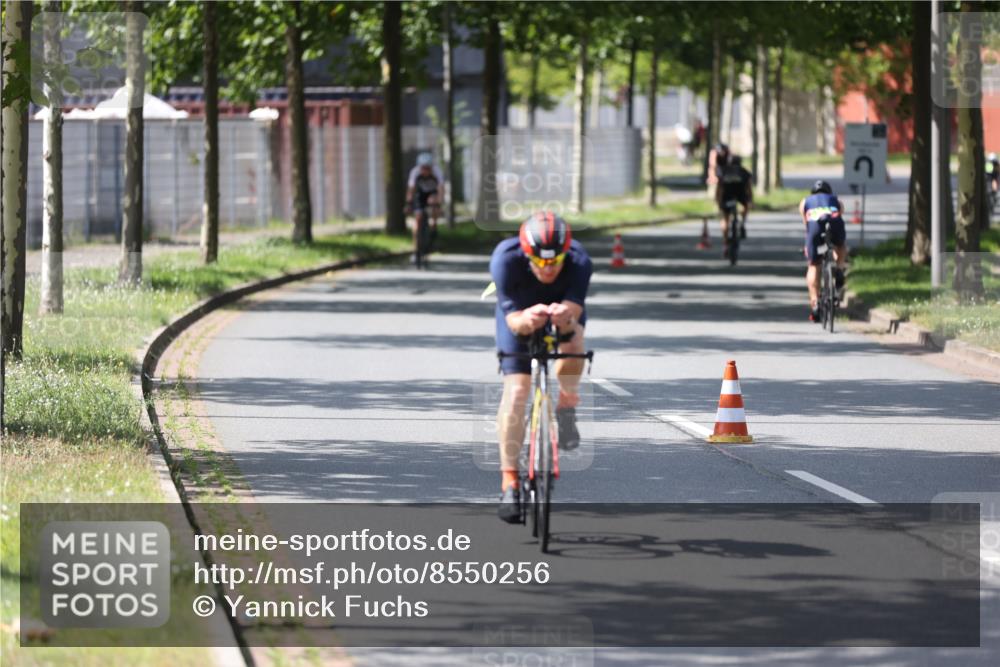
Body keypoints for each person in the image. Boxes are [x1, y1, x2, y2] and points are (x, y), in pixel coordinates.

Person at [489, 212, 593, 523]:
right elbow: (514, 321)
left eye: (556, 261)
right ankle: (509, 482)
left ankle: (567, 401)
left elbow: (574, 314)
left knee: (573, 345)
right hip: (521, 314)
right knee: (518, 390)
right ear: (526, 253)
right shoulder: (505, 260)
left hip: (563, 313)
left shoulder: (579, 262)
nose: (549, 269)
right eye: (541, 262)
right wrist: (526, 320)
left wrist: (565, 317)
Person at [799, 180, 847, 323]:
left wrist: (809, 247)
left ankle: (815, 303)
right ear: (829, 192)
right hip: (834, 222)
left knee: (813, 265)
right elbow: (840, 213)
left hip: (814, 226)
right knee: (841, 246)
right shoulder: (836, 200)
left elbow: (806, 225)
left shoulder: (805, 202)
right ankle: (839, 269)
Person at [405, 152, 444, 262]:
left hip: (433, 193)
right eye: (423, 168)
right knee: (417, 221)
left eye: (428, 168)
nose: (426, 171)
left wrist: (439, 204)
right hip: (420, 194)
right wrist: (408, 203)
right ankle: (416, 249)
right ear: (419, 167)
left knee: (434, 203)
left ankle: (434, 226)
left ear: (431, 167)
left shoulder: (437, 172)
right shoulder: (415, 172)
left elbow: (441, 189)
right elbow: (411, 190)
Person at [716, 154, 753, 248]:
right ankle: (742, 223)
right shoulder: (744, 172)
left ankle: (725, 242)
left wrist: (718, 200)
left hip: (726, 196)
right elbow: (748, 187)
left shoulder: (723, 171)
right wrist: (750, 199)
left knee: (725, 218)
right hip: (740, 195)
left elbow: (719, 188)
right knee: (746, 206)